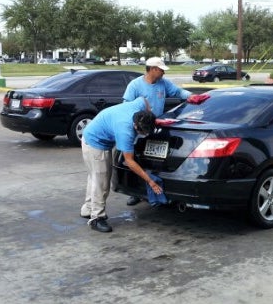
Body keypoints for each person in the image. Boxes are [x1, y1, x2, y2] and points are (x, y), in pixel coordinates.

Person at [80, 97, 162, 233]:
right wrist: (150, 181)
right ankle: (96, 218)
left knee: (94, 177)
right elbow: (129, 161)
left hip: (91, 135)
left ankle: (88, 208)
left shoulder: (139, 107)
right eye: (143, 131)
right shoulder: (125, 131)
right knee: (102, 182)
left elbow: (144, 100)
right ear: (136, 126)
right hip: (95, 143)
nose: (144, 134)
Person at [122, 56, 192, 206]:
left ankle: (158, 187)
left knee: (157, 161)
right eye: (161, 70)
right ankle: (137, 192)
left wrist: (191, 96)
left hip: (157, 128)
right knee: (137, 160)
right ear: (153, 69)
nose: (163, 73)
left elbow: (178, 92)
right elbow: (126, 108)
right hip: (140, 130)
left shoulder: (163, 83)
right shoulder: (135, 85)